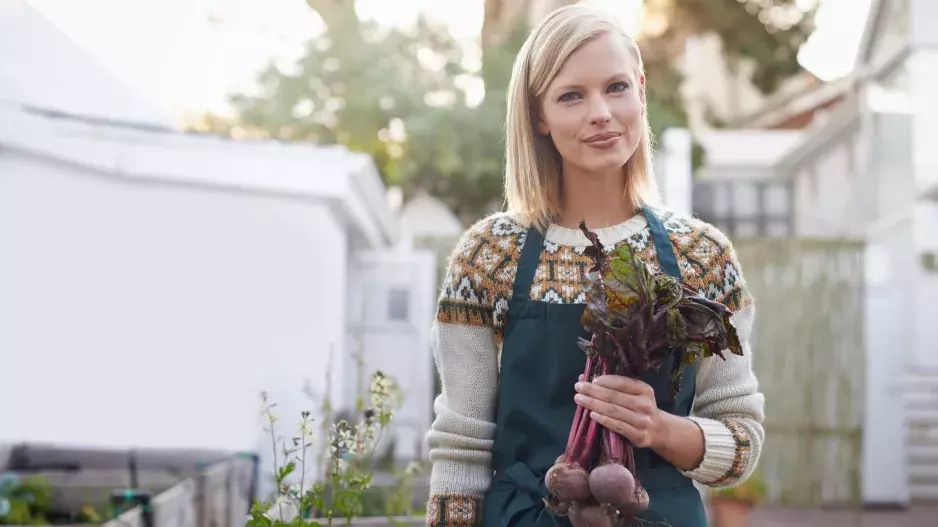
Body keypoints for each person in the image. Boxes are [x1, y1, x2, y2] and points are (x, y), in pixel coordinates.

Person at [424, 5, 765, 526]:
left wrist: (659, 428)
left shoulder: (702, 255)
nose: (601, 112)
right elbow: (461, 447)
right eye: (570, 96)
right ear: (539, 116)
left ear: (641, 91)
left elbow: (741, 442)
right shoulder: (489, 255)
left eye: (616, 87)